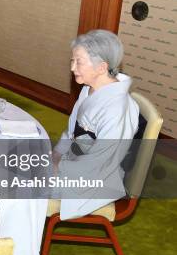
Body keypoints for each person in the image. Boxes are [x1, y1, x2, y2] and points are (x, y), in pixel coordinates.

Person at [52, 30, 140, 220]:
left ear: (101, 67)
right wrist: (56, 155)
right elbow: (71, 132)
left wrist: (59, 166)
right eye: (72, 61)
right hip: (73, 164)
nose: (73, 67)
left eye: (79, 62)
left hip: (95, 181)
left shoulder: (118, 110)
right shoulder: (88, 90)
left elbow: (101, 163)